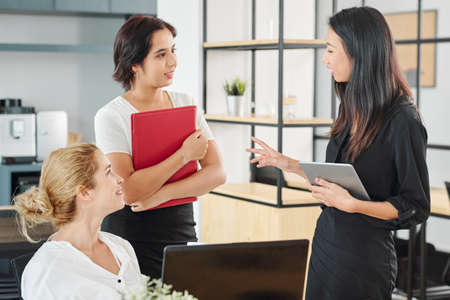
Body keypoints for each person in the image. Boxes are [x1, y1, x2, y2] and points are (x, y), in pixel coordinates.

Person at [246, 6, 430, 300]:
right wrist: (287, 164)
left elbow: (415, 206)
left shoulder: (402, 120)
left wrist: (353, 204)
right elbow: (341, 176)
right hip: (326, 245)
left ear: (360, 51)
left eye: (330, 50)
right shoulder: (351, 105)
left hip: (363, 260)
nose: (324, 58)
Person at [94, 15, 226, 279]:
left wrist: (160, 195)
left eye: (173, 51)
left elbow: (217, 173)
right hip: (130, 237)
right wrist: (183, 156)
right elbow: (129, 191)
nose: (173, 61)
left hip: (180, 228)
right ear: (134, 63)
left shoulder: (185, 104)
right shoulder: (111, 115)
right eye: (161, 54)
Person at [14, 143, 143, 300]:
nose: (120, 179)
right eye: (108, 172)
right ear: (85, 192)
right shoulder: (47, 271)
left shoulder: (121, 248)